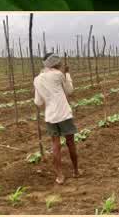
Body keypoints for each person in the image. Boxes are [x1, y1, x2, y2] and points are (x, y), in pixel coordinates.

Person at [33, 53, 79, 185]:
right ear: (56, 64)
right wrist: (67, 74)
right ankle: (76, 171)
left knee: (55, 146)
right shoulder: (58, 75)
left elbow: (38, 102)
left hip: (50, 116)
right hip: (64, 114)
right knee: (70, 142)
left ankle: (59, 176)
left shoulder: (37, 79)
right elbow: (69, 91)